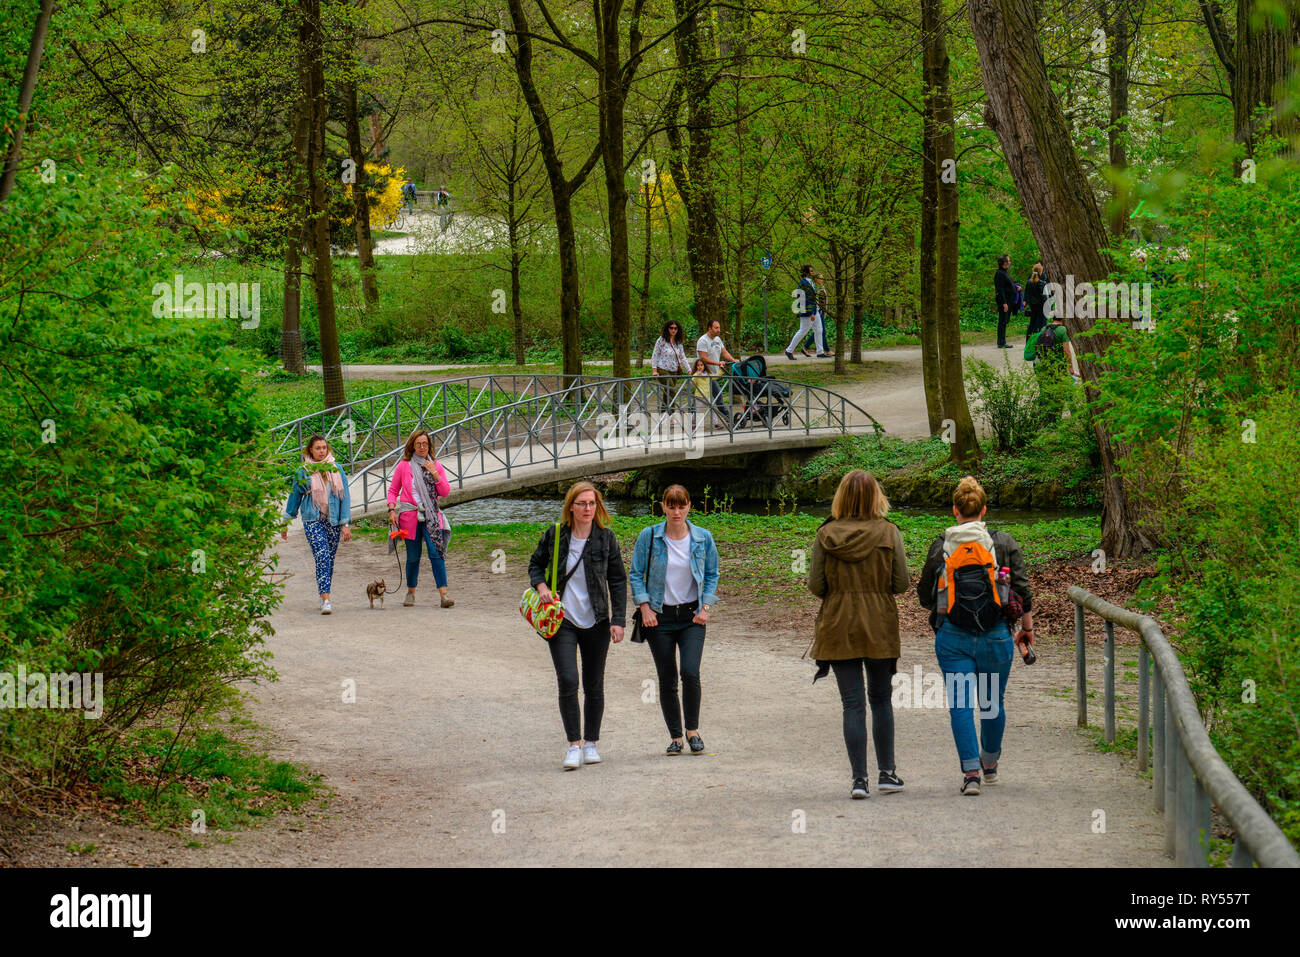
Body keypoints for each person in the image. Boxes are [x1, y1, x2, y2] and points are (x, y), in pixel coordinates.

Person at [917, 476, 1035, 795]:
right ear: (984, 510)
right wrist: (1026, 629)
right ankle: (991, 762)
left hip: (953, 637)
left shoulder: (941, 546)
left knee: (960, 704)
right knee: (991, 702)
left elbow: (924, 597)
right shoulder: (1004, 543)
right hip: (997, 635)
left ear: (955, 510)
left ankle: (971, 774)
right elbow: (1023, 591)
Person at [808, 470, 910, 799]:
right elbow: (901, 584)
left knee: (851, 704)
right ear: (876, 496)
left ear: (841, 497)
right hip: (879, 622)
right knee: (881, 700)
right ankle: (887, 773)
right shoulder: (889, 533)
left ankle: (858, 780)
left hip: (839, 625)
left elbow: (816, 586)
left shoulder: (826, 534)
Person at [528, 482, 627, 770]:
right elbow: (535, 565)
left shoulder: (606, 539)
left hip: (597, 620)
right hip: (562, 620)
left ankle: (591, 742)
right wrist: (542, 586)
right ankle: (574, 744)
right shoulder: (556, 534)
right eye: (581, 503)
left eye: (592, 503)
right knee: (569, 680)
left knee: (594, 684)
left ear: (598, 507)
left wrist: (618, 620)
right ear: (571, 506)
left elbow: (618, 581)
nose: (587, 509)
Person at [629, 485, 721, 755]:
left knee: (690, 672)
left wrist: (705, 606)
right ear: (663, 507)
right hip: (660, 616)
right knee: (667, 677)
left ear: (690, 506)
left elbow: (712, 573)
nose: (677, 511)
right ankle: (676, 737)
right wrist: (645, 607)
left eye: (681, 506)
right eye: (672, 506)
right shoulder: (650, 536)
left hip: (692, 615)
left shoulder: (703, 538)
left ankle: (692, 730)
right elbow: (635, 573)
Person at [282, 435, 352, 614]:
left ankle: (324, 592)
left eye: (324, 448)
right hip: (313, 520)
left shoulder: (337, 469)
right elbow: (294, 497)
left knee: (329, 560)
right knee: (322, 556)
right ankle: (326, 600)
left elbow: (344, 497)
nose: (321, 451)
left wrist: (345, 524)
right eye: (318, 448)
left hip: (334, 521)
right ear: (310, 451)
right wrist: (285, 522)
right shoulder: (303, 471)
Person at [387, 430, 454, 608]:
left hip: (432, 515)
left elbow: (445, 492)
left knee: (436, 553)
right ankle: (410, 592)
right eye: (419, 444)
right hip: (410, 516)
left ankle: (444, 595)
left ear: (429, 446)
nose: (422, 447)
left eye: (425, 444)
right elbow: (393, 490)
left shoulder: (436, 465)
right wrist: (391, 509)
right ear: (412, 446)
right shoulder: (404, 466)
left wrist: (435, 475)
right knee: (413, 557)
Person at [696, 318, 737, 427]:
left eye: (719, 327)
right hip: (704, 375)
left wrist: (733, 360)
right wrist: (718, 363)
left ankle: (717, 422)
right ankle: (729, 419)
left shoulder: (718, 339)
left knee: (709, 399)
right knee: (708, 399)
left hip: (712, 375)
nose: (719, 330)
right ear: (710, 328)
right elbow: (703, 359)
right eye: (716, 328)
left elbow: (724, 352)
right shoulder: (703, 341)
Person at [650, 319, 691, 413]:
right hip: (662, 369)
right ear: (667, 328)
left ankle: (663, 413)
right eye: (671, 328)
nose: (673, 330)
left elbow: (683, 357)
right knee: (672, 390)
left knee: (667, 392)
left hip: (674, 370)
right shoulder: (661, 340)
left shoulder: (678, 341)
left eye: (675, 328)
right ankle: (671, 414)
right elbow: (655, 355)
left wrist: (689, 370)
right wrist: (654, 370)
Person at [786, 265, 825, 359]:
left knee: (819, 330)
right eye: (811, 271)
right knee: (802, 331)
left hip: (814, 310)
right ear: (806, 272)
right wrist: (811, 312)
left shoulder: (810, 282)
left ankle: (820, 352)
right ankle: (789, 350)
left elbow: (813, 296)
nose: (813, 272)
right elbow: (806, 299)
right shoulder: (803, 283)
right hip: (808, 311)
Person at [800, 271, 833, 358]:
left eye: (822, 278)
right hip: (817, 312)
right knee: (821, 331)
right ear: (815, 280)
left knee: (819, 331)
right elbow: (815, 301)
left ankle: (805, 347)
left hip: (821, 312)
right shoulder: (815, 289)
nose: (821, 280)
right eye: (820, 278)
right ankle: (827, 350)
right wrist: (815, 312)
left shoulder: (821, 287)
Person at [994, 254, 1018, 349]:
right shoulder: (999, 273)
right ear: (1004, 263)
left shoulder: (1005, 272)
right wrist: (1004, 303)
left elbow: (1008, 285)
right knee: (1002, 321)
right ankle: (1001, 342)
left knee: (1005, 321)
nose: (1010, 262)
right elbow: (1000, 289)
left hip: (1009, 301)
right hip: (1004, 302)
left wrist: (1016, 288)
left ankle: (1002, 341)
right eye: (1008, 261)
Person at [1024, 261, 1048, 340]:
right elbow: (1044, 296)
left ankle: (1028, 340)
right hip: (1041, 307)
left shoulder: (1029, 282)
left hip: (1032, 306)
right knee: (1042, 324)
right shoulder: (1041, 283)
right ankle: (1041, 341)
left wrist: (1027, 302)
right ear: (1041, 272)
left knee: (1032, 324)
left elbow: (1027, 294)